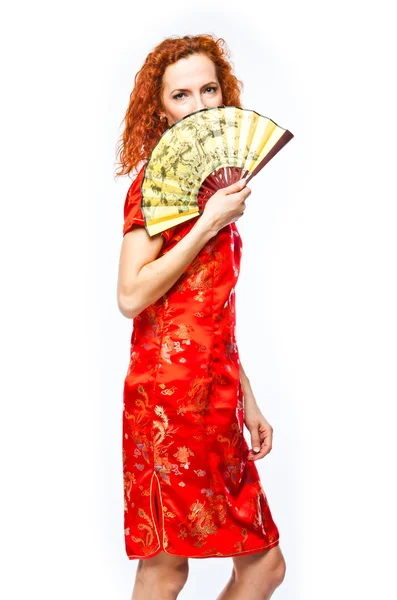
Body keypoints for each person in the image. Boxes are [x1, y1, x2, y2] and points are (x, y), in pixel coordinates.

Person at [115, 34, 286, 600]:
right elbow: (131, 296)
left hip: (216, 394)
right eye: (181, 95)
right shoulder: (153, 188)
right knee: (166, 569)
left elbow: (210, 311)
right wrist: (209, 222)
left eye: (209, 89)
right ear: (160, 110)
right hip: (166, 400)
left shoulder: (221, 191)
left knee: (263, 568)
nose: (199, 105)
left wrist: (248, 398)